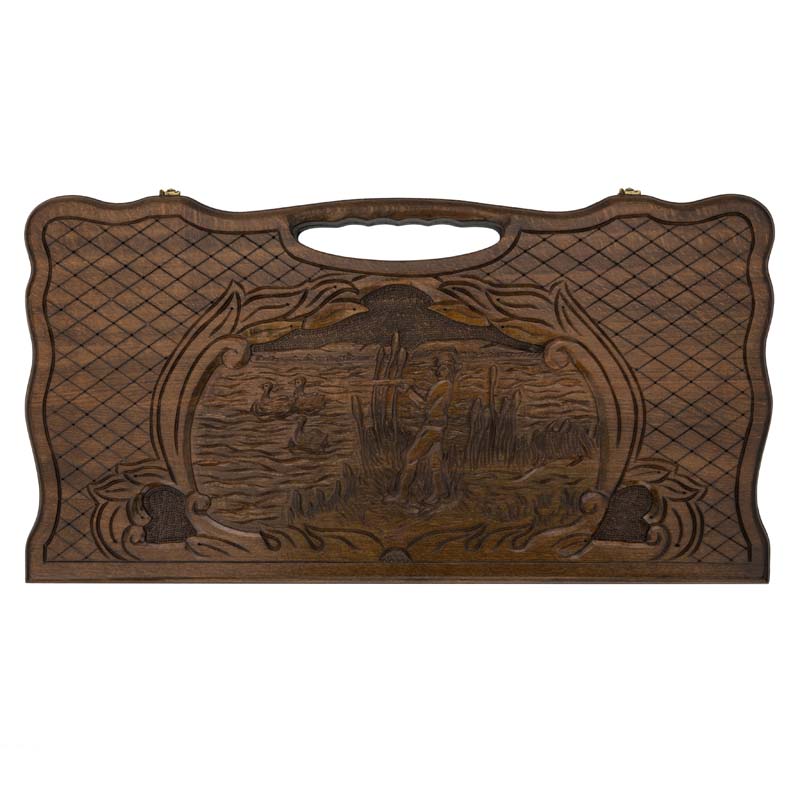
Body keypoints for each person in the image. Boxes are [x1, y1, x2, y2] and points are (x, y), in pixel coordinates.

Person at [385, 352, 457, 507]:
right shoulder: (446, 385)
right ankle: (441, 492)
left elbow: (424, 406)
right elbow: (428, 402)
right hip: (438, 428)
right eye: (440, 368)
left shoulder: (443, 385)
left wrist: (409, 391)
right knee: (435, 462)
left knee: (410, 458)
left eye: (444, 368)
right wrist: (410, 389)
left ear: (449, 370)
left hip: (431, 428)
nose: (440, 371)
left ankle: (402, 495)